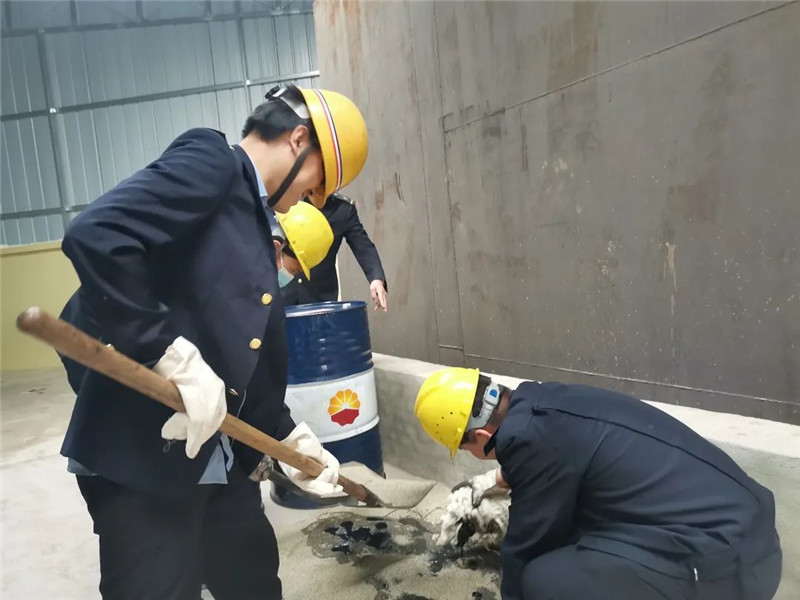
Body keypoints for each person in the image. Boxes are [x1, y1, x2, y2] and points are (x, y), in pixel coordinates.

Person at [57, 83, 367, 600]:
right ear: (297, 140)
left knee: (253, 581)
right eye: (318, 182)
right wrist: (166, 352)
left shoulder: (253, 224)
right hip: (145, 464)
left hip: (217, 462)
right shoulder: (214, 162)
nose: (314, 198)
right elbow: (97, 235)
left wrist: (288, 437)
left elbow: (243, 360)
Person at [414, 368, 782, 600]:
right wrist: (490, 482)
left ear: (480, 437)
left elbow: (524, 547)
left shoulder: (529, 442)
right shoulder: (545, 402)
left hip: (730, 568)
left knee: (543, 579)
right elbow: (562, 457)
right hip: (745, 531)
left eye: (466, 448)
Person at [280, 193, 388, 311]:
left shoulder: (341, 210)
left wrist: (376, 278)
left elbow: (363, 246)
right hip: (281, 294)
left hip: (319, 299)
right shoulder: (281, 199)